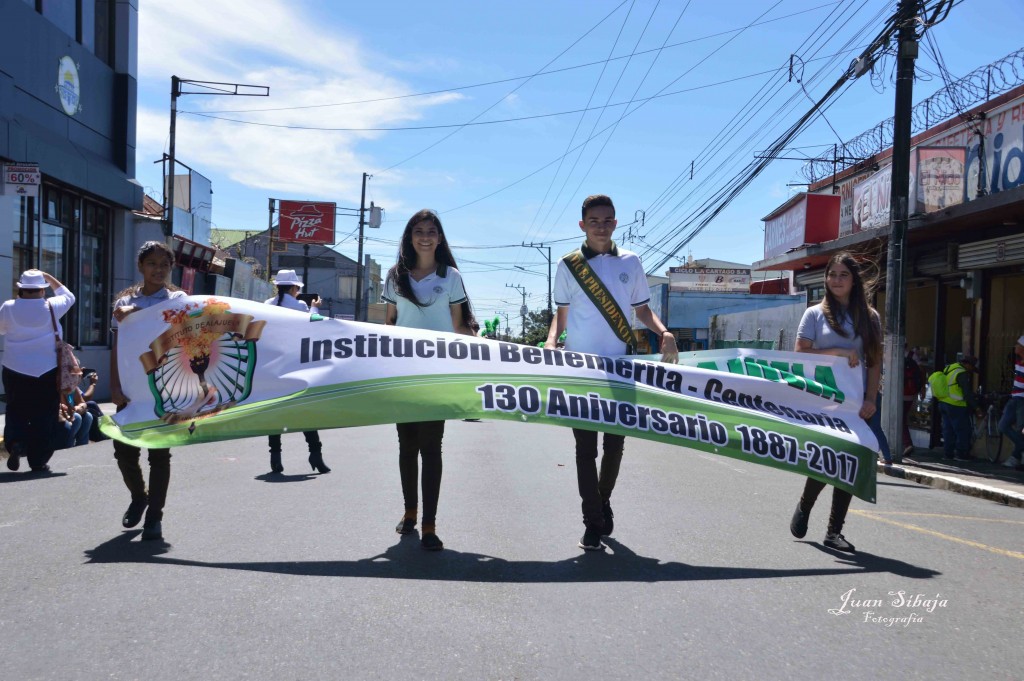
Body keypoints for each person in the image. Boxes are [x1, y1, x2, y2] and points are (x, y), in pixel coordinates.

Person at [544, 194, 678, 552]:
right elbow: (562, 314)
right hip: (580, 369)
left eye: (607, 220)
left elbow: (642, 311)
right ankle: (592, 521)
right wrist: (551, 340)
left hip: (621, 368)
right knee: (585, 449)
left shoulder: (630, 262)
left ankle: (602, 501)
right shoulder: (567, 265)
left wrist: (664, 332)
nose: (601, 226)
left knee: (615, 446)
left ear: (616, 224)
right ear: (582, 225)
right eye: (594, 220)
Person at [382, 209, 474, 551]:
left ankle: (430, 525)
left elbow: (459, 326)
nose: (425, 236)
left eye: (431, 231)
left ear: (440, 238)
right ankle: (409, 513)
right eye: (419, 231)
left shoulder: (450, 276)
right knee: (407, 446)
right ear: (410, 236)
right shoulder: (395, 276)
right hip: (402, 372)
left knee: (431, 448)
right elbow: (388, 325)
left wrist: (481, 356)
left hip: (437, 372)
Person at [789, 252, 891, 554]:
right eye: (831, 274)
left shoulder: (870, 317)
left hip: (857, 404)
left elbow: (874, 361)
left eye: (842, 275)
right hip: (823, 401)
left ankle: (834, 531)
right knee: (824, 460)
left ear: (854, 280)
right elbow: (800, 353)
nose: (835, 280)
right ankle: (805, 505)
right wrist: (836, 352)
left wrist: (871, 398)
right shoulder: (814, 314)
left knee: (848, 463)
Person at [110, 241, 186, 541]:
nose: (158, 269)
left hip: (165, 389)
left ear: (171, 268)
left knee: (159, 455)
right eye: (152, 263)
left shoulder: (178, 299)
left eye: (164, 264)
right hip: (131, 389)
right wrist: (114, 385)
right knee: (124, 451)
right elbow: (119, 349)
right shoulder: (125, 305)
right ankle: (139, 497)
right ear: (141, 267)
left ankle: (155, 516)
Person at [0, 270, 75, 473]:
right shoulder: (51, 305)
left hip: (14, 368)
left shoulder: (8, 307)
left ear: (20, 289)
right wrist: (48, 277)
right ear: (42, 289)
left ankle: (15, 443)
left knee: (16, 409)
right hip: (47, 369)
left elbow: (1, 329)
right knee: (45, 415)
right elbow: (69, 296)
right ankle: (38, 460)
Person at [264, 269, 329, 474]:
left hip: (272, 366)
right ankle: (315, 454)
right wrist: (315, 309)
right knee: (305, 411)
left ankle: (275, 457)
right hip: (296, 364)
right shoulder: (300, 306)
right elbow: (312, 327)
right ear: (294, 288)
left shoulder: (266, 305)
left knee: (274, 413)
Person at [935, 355, 979, 462]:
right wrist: (977, 407)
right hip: (955, 405)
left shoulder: (950, 368)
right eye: (972, 367)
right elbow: (966, 393)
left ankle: (948, 454)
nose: (972, 370)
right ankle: (961, 454)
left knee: (948, 430)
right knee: (963, 430)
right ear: (967, 364)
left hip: (943, 403)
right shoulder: (961, 373)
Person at [1000, 335, 1024, 470]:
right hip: (1014, 398)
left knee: (1021, 429)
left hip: (1022, 400)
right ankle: (1020, 448)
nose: (1015, 346)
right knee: (1003, 425)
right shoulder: (1018, 361)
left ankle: (1016, 456)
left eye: (1018, 344)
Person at [902, 344, 925, 458]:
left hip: (897, 393)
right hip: (910, 394)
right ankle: (904, 443)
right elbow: (921, 372)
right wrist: (922, 388)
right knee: (903, 418)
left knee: (899, 420)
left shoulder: (890, 353)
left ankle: (907, 444)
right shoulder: (913, 355)